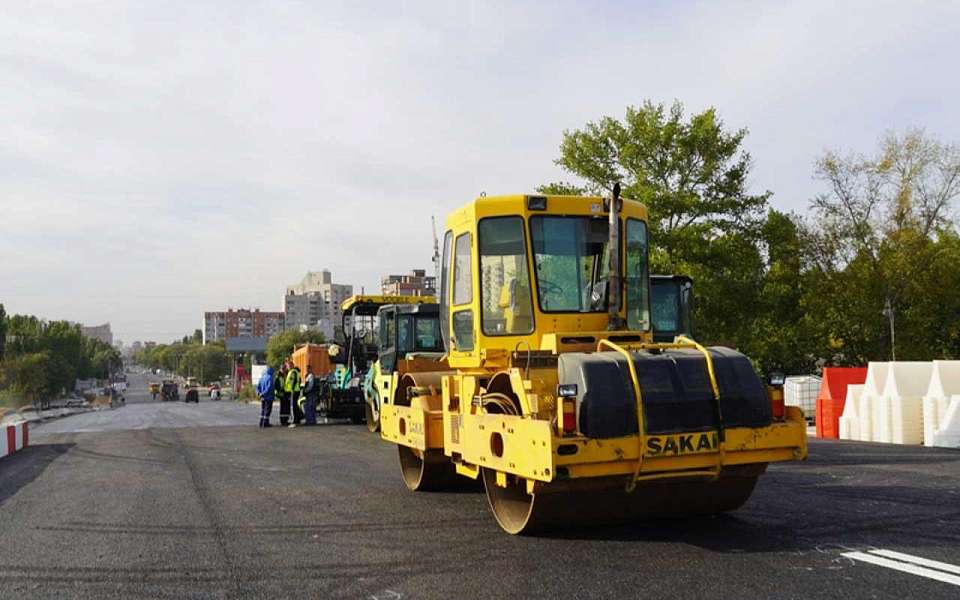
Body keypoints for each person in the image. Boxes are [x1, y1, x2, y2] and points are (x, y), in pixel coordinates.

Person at [285, 360, 302, 427]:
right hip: (296, 390)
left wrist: (292, 389)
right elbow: (299, 380)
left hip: (294, 391)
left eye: (288, 366)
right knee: (295, 406)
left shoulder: (292, 372)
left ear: (291, 365)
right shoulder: (296, 371)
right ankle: (297, 419)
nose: (287, 367)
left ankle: (294, 420)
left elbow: (293, 381)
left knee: (293, 406)